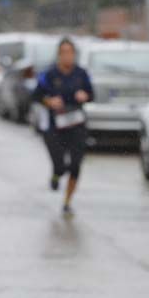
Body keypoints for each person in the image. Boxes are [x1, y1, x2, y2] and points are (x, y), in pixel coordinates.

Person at [32, 38, 94, 217]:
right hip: (54, 126)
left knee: (75, 165)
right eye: (64, 53)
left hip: (76, 124)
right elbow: (36, 96)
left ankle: (67, 201)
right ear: (59, 55)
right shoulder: (49, 74)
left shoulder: (81, 74)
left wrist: (85, 95)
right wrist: (49, 101)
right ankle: (56, 174)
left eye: (70, 52)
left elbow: (92, 94)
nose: (68, 56)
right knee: (60, 165)